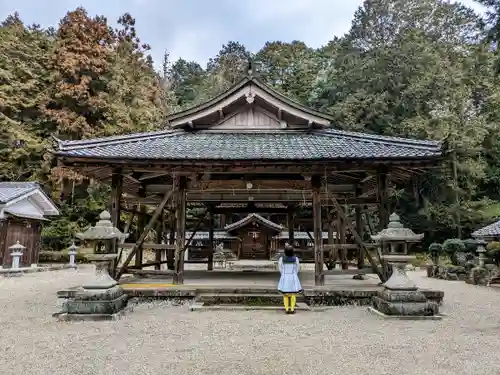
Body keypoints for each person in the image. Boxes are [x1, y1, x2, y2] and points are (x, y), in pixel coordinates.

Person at [277, 245, 302, 314]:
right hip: (293, 277)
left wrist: (283, 274)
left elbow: (280, 268)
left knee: (285, 294)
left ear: (285, 251)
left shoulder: (281, 259)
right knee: (293, 294)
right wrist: (294, 274)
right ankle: (292, 309)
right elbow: (297, 268)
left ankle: (287, 309)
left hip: (285, 277)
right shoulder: (295, 259)